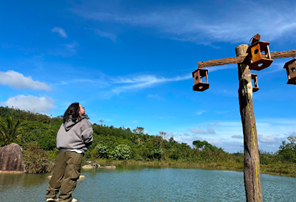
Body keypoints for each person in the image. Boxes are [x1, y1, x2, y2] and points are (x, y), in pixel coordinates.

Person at [45, 103, 93, 202]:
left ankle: (51, 196)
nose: (84, 108)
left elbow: (59, 136)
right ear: (78, 110)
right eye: (82, 107)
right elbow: (88, 137)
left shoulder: (64, 122)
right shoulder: (84, 121)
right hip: (75, 151)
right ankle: (64, 198)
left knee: (57, 174)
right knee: (71, 176)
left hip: (62, 151)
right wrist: (84, 146)